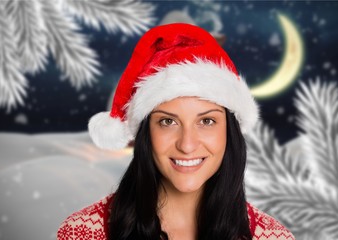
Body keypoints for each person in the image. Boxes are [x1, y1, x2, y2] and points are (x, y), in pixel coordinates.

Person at [57, 23, 295, 240]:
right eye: (168, 122)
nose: (187, 144)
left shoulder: (273, 237)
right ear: (145, 134)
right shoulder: (82, 233)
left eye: (207, 121)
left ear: (229, 131)